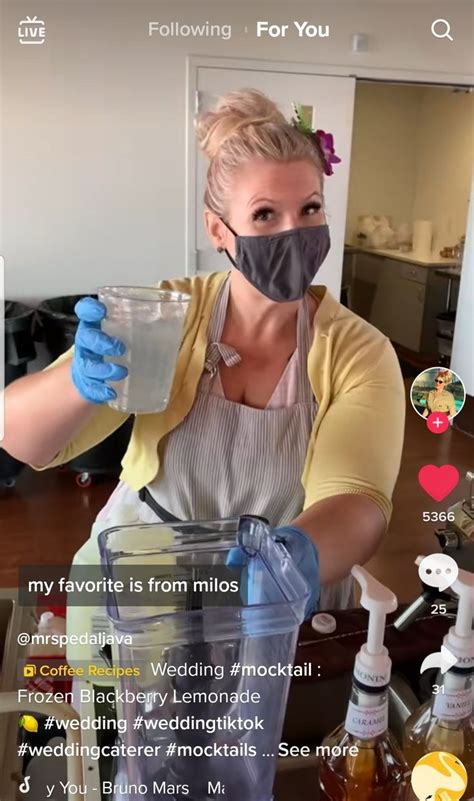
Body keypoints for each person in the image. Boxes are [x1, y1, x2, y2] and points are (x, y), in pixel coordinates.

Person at [3, 89, 405, 613]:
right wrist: (77, 381)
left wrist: (293, 559)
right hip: (147, 571)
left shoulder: (357, 351)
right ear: (219, 229)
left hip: (273, 593)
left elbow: (357, 499)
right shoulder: (169, 315)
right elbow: (21, 440)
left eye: (310, 208)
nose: (294, 232)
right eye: (265, 214)